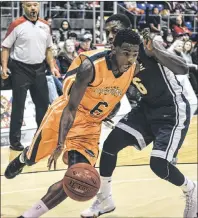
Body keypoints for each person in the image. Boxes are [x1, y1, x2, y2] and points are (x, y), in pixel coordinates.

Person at [4, 28, 141, 218]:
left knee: (78, 178)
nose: (130, 59)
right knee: (32, 158)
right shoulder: (90, 67)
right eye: (126, 53)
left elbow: (116, 94)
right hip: (64, 115)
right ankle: (23, 158)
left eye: (134, 54)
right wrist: (61, 144)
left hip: (90, 126)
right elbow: (70, 108)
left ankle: (28, 216)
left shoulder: (133, 68)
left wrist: (111, 110)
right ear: (113, 48)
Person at [81, 21, 197, 218]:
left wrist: (157, 52)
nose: (110, 36)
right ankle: (105, 200)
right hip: (146, 108)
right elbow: (118, 91)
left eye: (114, 31)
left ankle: (191, 189)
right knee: (110, 145)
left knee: (159, 165)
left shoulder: (148, 46)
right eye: (108, 32)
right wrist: (105, 113)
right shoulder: (115, 56)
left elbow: (182, 69)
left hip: (172, 110)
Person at [1, 1, 58, 151]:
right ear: (23, 7)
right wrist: (4, 67)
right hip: (20, 69)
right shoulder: (16, 24)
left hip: (39, 69)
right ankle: (15, 142)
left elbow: (49, 49)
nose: (33, 8)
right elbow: (5, 47)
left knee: (43, 106)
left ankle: (41, 139)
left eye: (35, 4)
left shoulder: (45, 25)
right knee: (18, 106)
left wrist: (52, 66)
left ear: (39, 6)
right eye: (29, 5)